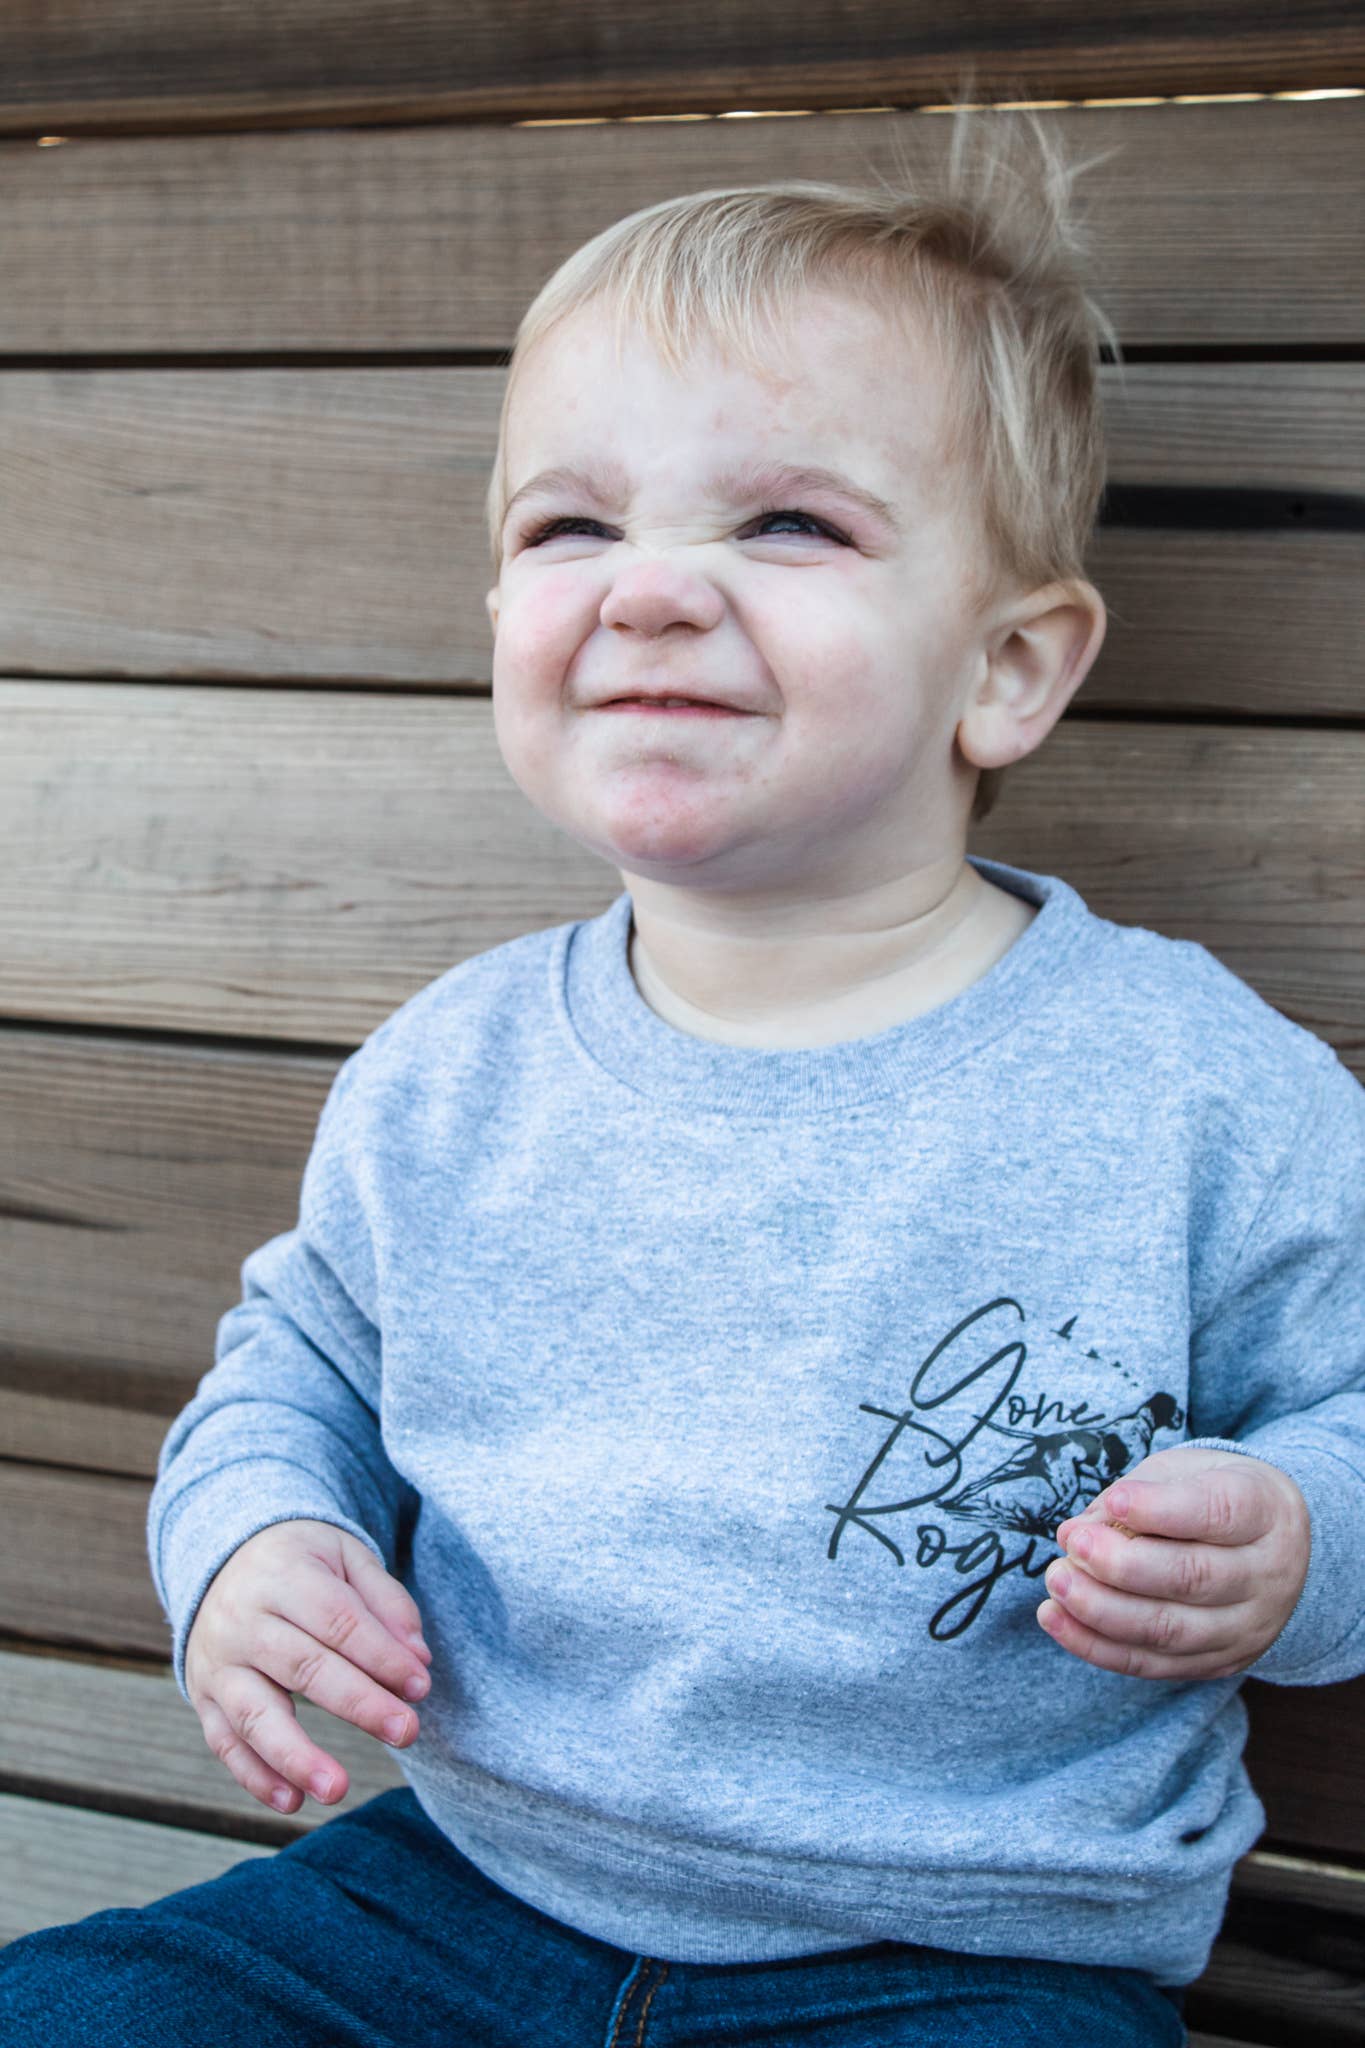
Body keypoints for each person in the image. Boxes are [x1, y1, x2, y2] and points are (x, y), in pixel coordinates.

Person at [4, 96, 1363, 2048]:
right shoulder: (455, 1068)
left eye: (786, 522)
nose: (646, 587)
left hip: (962, 1954)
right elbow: (296, 1367)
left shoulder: (1191, 1090)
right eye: (570, 524)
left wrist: (1295, 1532)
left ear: (1006, 668)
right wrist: (255, 1537)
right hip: (455, 1892)